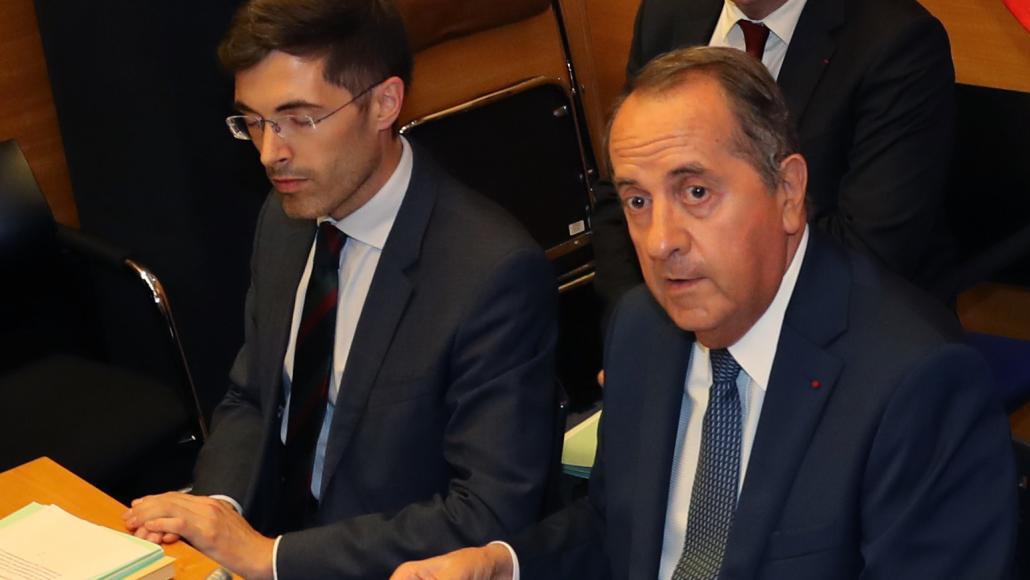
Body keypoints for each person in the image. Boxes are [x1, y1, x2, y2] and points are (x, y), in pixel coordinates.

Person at [392, 46, 1016, 580]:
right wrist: (506, 564)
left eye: (696, 192)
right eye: (637, 201)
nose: (661, 240)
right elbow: (622, 529)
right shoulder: (642, 329)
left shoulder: (917, 385)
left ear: (789, 193)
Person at [122, 1, 558, 577]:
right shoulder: (283, 220)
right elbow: (252, 397)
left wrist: (271, 557)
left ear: (384, 103)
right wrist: (217, 510)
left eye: (298, 119)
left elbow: (487, 513)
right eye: (252, 120)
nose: (269, 152)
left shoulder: (491, 272)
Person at [593, 0, 958, 318]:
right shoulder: (666, 13)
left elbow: (871, 247)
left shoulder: (896, 40)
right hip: (688, 321)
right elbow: (622, 191)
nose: (661, 241)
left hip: (846, 327)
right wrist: (639, 334)